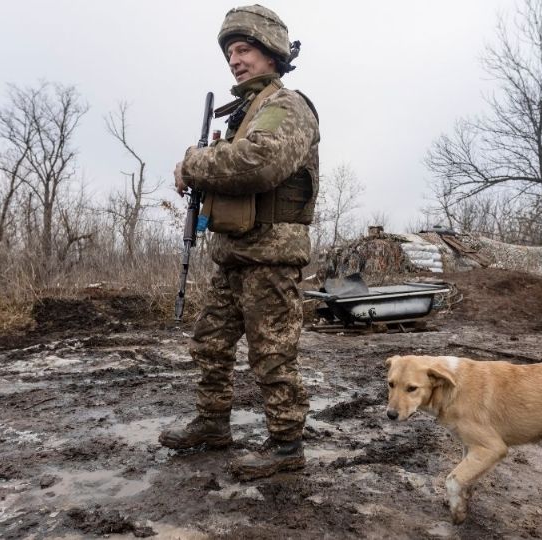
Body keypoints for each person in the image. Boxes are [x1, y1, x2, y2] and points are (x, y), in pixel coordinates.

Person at [160, 4, 320, 481]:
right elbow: (233, 167)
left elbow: (259, 163)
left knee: (272, 353)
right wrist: (201, 172)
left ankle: (286, 444)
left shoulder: (287, 107)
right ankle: (212, 425)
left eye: (244, 49)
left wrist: (194, 162)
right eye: (231, 52)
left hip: (270, 258)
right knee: (210, 344)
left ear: (271, 53)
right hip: (234, 255)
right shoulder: (245, 114)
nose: (235, 60)